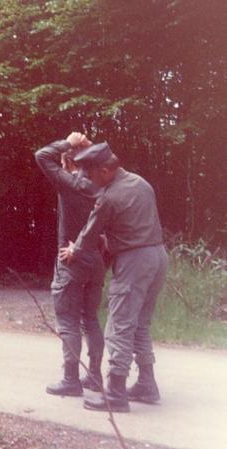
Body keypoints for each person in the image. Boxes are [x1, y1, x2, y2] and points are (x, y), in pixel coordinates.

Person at [59, 141, 168, 412]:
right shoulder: (140, 183)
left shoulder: (109, 197)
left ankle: (116, 393)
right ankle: (146, 384)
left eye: (91, 174)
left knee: (119, 325)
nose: (88, 179)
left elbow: (90, 232)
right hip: (157, 256)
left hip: (134, 261)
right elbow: (133, 222)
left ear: (106, 170)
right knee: (140, 323)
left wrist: (74, 250)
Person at [35, 132, 106, 397]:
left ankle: (70, 379)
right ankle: (96, 377)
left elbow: (41, 155)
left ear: (68, 163)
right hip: (95, 259)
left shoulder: (69, 183)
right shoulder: (100, 186)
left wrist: (69, 142)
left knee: (67, 321)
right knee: (90, 319)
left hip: (70, 258)